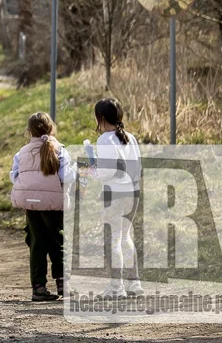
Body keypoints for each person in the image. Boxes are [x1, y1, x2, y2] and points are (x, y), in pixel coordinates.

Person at [9, 111, 73, 302]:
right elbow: (66, 177)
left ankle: (38, 287)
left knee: (36, 244)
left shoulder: (21, 152)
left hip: (32, 207)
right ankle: (62, 283)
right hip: (54, 206)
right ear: (51, 128)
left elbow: (14, 176)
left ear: (28, 131)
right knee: (57, 243)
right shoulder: (60, 150)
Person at [93, 98, 143, 297]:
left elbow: (106, 171)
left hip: (114, 194)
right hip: (133, 193)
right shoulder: (131, 137)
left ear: (101, 118)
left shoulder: (105, 139)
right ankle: (134, 284)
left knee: (113, 240)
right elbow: (136, 167)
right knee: (125, 237)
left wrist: (91, 171)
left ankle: (116, 287)